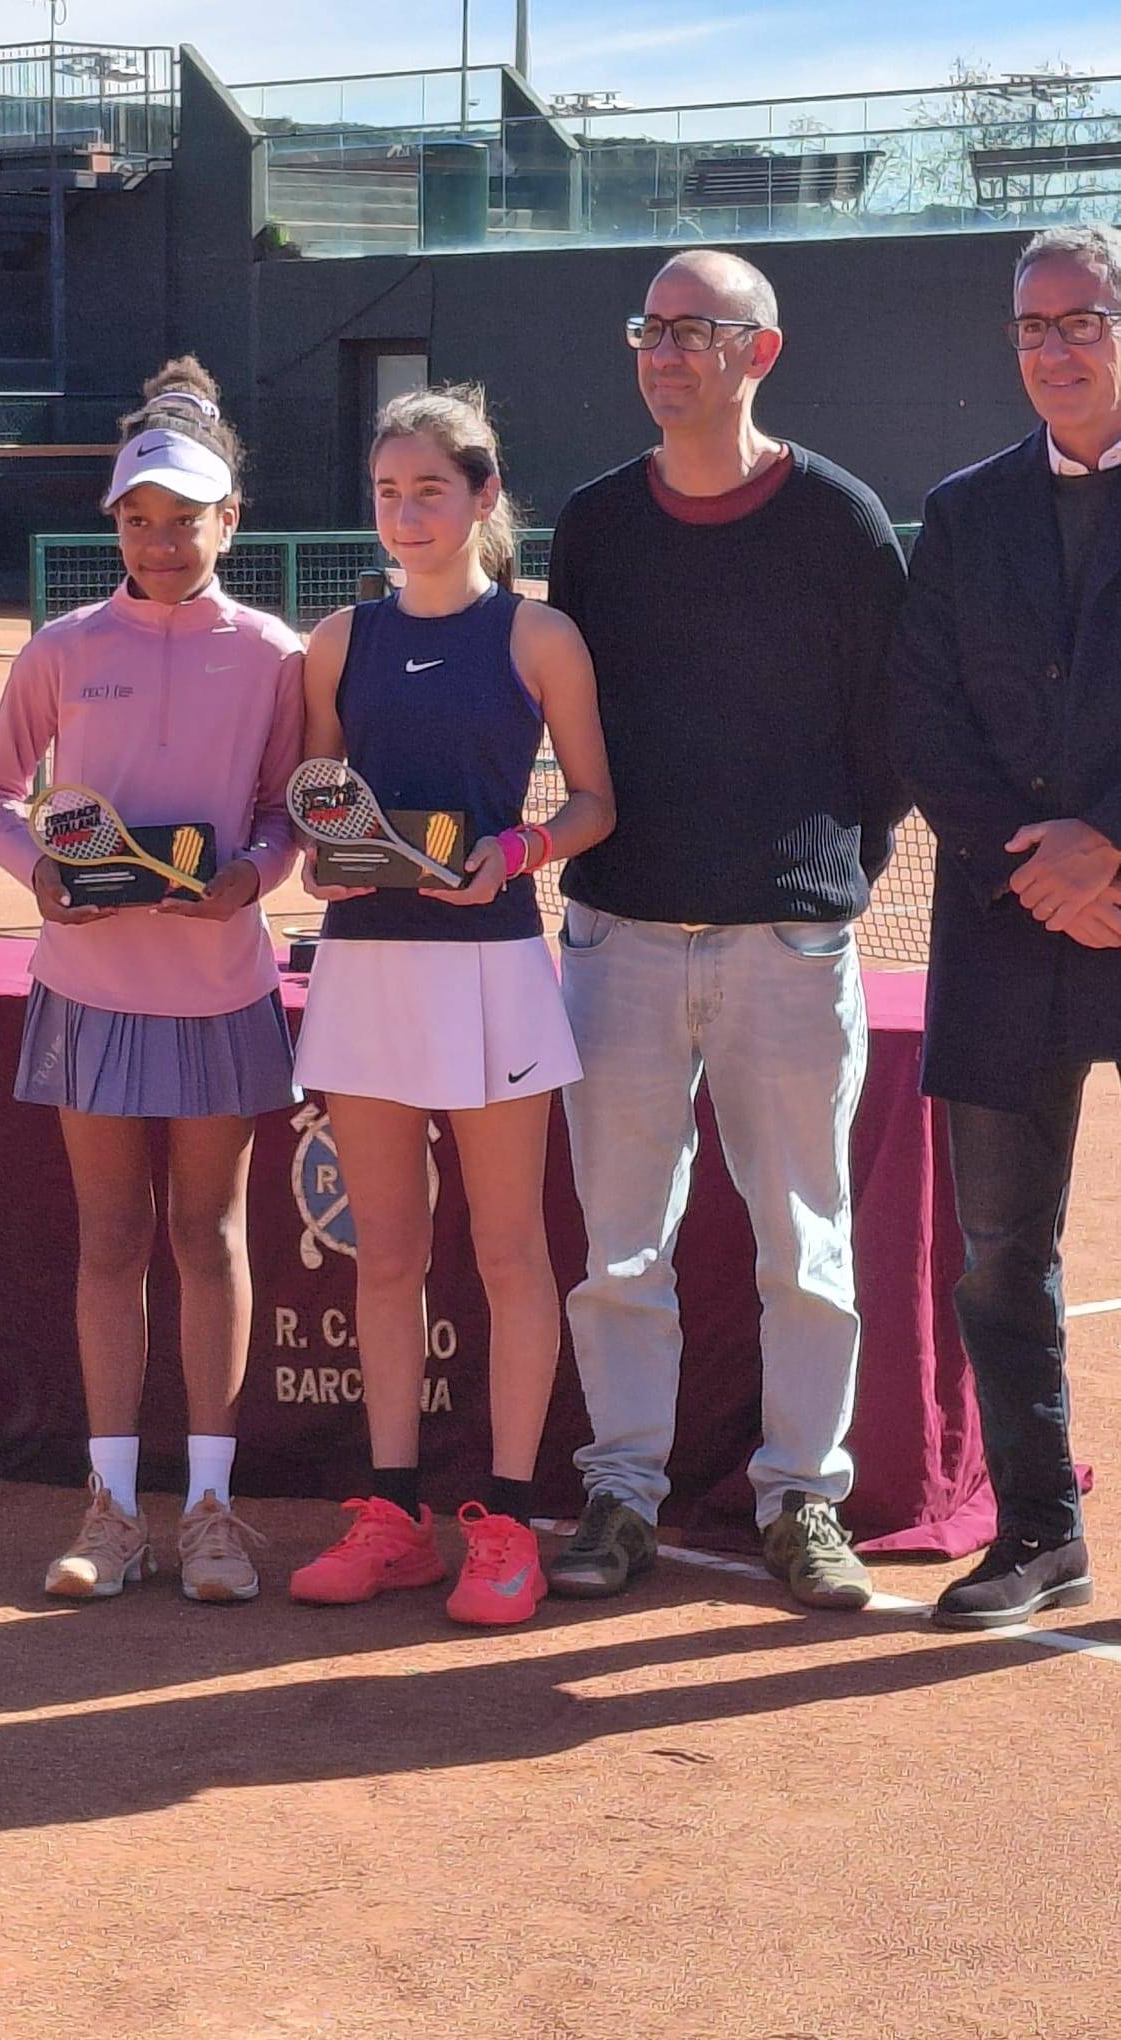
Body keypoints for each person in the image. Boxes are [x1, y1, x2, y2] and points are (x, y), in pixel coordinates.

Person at [545, 250, 909, 1611]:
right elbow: (572, 719)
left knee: (804, 1243)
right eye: (649, 330)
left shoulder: (839, 521)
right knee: (618, 1247)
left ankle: (802, 1498)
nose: (664, 354)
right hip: (617, 938)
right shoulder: (594, 523)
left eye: (695, 331)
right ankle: (621, 1493)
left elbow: (887, 735)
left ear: (761, 351)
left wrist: (818, 879)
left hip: (785, 947)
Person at [0, 357, 302, 1606]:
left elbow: (287, 812)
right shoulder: (62, 649)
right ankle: (110, 1512)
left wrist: (251, 877)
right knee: (111, 1238)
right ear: (115, 522)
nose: (161, 543)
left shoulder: (273, 655)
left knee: (208, 1238)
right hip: (90, 989)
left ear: (229, 521)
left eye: (186, 519)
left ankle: (211, 1512)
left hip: (219, 987)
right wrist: (38, 875)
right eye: (139, 520)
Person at [287, 383, 614, 1628]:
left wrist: (519, 852)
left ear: (484, 498)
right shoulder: (337, 641)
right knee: (387, 1253)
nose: (406, 514)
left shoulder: (540, 637)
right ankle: (393, 1520)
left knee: (508, 1250)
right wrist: (321, 860)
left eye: (430, 489)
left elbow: (594, 802)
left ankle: (509, 1524)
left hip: (492, 969)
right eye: (388, 492)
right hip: (366, 967)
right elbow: (316, 801)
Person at [890, 225, 1121, 1630]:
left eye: (1079, 319)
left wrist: (1111, 848)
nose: (1053, 348)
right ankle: (1040, 1533)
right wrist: (1037, 869)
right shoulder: (962, 512)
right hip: (1004, 913)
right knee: (997, 1252)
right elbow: (923, 710)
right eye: (1032, 326)